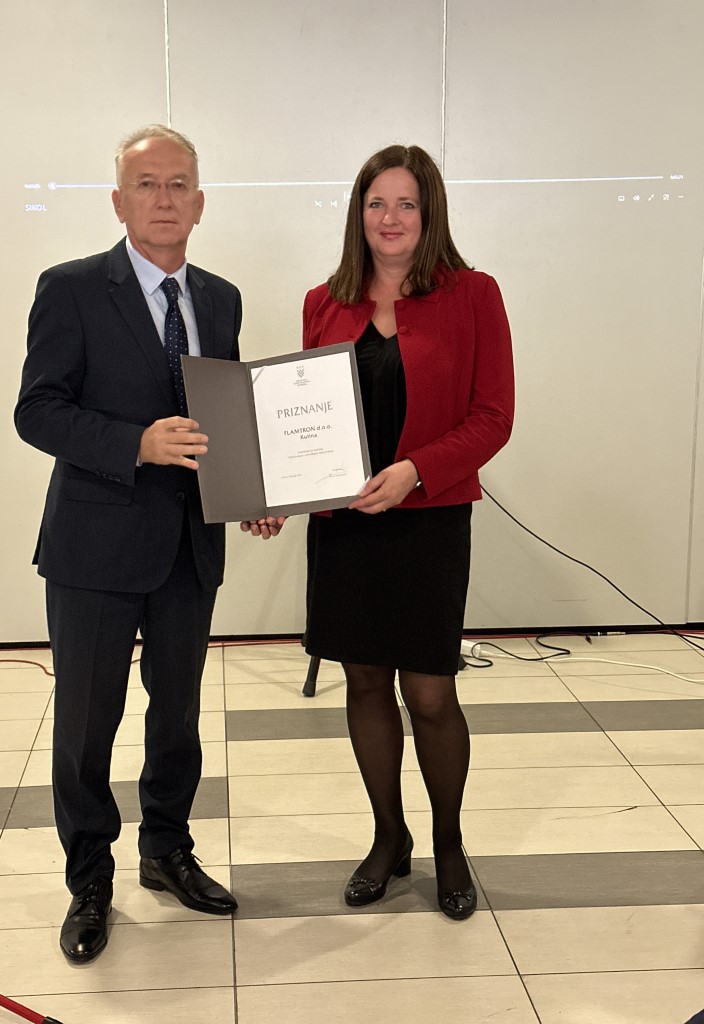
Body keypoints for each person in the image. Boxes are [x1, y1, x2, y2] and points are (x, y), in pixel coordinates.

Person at [15, 125, 265, 963]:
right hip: (94, 546)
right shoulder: (72, 289)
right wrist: (135, 443)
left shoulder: (221, 300)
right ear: (119, 202)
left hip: (190, 546)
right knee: (88, 723)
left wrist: (252, 492)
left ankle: (167, 850)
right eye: (147, 184)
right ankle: (90, 878)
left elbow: (223, 415)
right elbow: (37, 411)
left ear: (201, 202)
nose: (164, 199)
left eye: (178, 183)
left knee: (179, 714)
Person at [302, 144, 514, 919]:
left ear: (430, 214)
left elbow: (493, 417)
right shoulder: (324, 302)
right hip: (346, 526)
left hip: (429, 521)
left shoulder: (473, 294)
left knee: (429, 691)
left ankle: (449, 842)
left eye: (405, 204)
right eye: (375, 203)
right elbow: (305, 422)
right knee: (363, 681)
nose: (389, 218)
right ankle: (389, 838)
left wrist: (416, 470)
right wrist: (279, 491)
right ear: (357, 214)